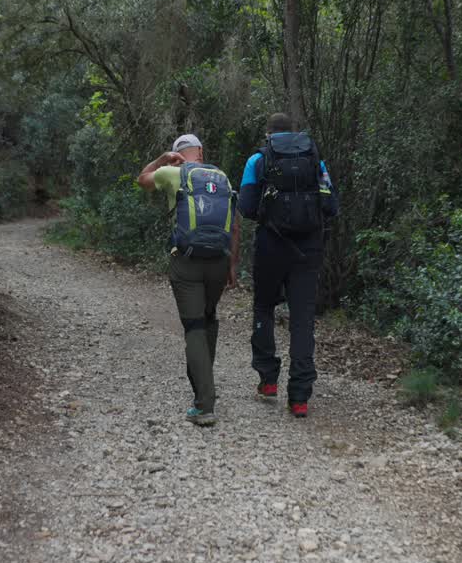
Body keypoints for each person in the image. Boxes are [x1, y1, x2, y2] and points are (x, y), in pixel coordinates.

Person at [237, 113, 338, 418]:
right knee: (302, 319)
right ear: (293, 133)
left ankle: (268, 379)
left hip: (271, 244)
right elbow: (331, 205)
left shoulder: (258, 160)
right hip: (308, 247)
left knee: (264, 307)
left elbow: (246, 207)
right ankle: (299, 398)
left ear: (268, 134)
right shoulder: (315, 159)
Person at [137, 134, 240, 427]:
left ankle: (204, 402)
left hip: (187, 262)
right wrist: (232, 264)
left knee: (194, 326)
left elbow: (142, 178)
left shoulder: (174, 172)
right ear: (201, 152)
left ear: (177, 154)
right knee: (208, 318)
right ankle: (203, 382)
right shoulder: (222, 177)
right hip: (219, 261)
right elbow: (234, 224)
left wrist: (162, 160)